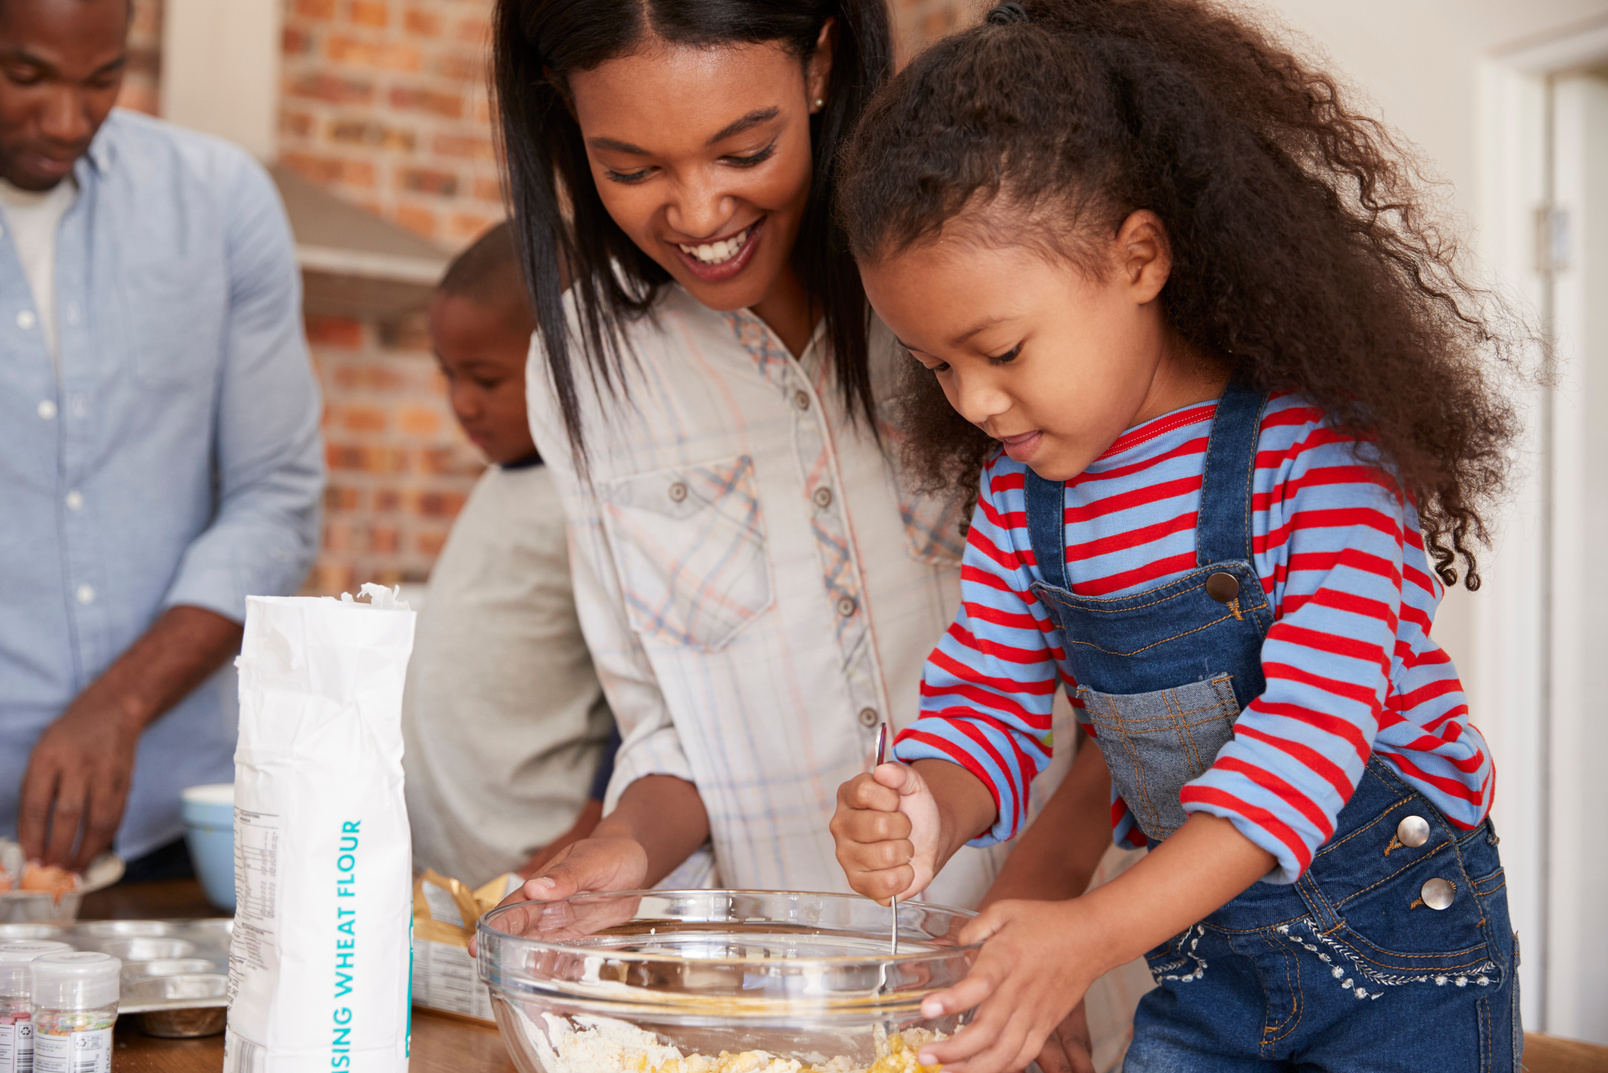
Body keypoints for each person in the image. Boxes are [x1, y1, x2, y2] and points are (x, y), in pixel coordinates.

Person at [827, 2, 1521, 1071]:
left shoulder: (1317, 460)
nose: (973, 400)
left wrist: (1091, 935)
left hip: (1403, 955)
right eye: (937, 366)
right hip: (1210, 964)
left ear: (1139, 256)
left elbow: (1302, 746)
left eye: (1001, 347)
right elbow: (987, 708)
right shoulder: (1024, 500)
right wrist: (925, 806)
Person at [488, 2, 1147, 1069]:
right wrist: (618, 853)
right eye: (629, 167)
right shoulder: (584, 372)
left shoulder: (967, 295)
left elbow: (1147, 662)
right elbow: (668, 732)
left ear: (824, 61)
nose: (698, 209)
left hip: (1075, 984)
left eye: (744, 149)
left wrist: (1031, 922)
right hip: (786, 1020)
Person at [0, 0, 322, 878]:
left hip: (173, 834)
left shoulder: (218, 204)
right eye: (25, 76)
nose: (67, 120)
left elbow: (278, 500)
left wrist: (122, 700)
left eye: (100, 79)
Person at [401, 223, 617, 888]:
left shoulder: (588, 497)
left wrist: (594, 824)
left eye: (486, 378)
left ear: (569, 358)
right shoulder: (501, 478)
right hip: (449, 870)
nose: (462, 401)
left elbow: (639, 688)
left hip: (537, 863)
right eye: (449, 374)